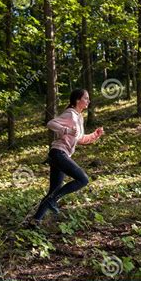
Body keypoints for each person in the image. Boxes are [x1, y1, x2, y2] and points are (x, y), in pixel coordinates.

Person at [30, 88, 104, 226]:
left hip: (60, 154)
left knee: (53, 190)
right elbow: (50, 123)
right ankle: (53, 200)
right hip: (58, 153)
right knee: (83, 179)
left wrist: (95, 135)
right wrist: (66, 130)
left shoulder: (79, 117)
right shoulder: (70, 113)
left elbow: (80, 138)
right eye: (86, 98)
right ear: (77, 100)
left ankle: (35, 221)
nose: (88, 100)